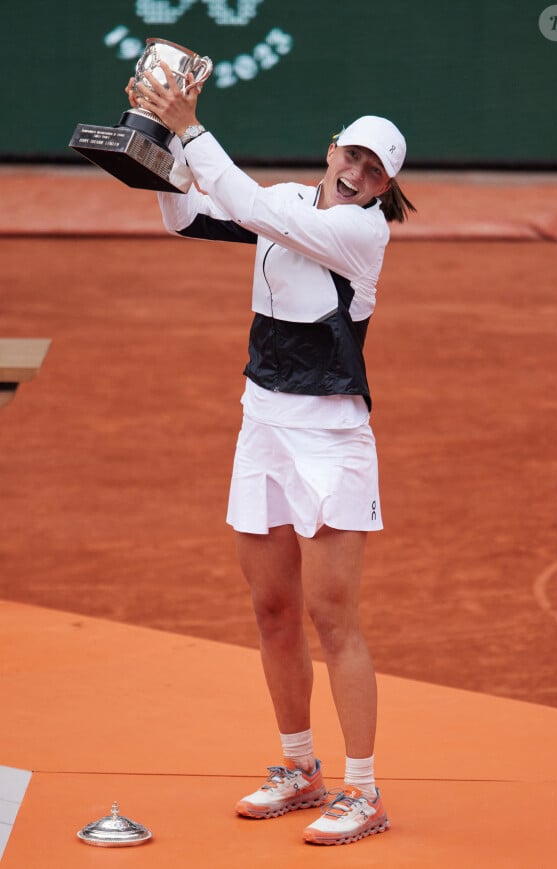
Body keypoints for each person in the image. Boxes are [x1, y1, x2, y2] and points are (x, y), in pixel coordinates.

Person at [126, 61, 415, 846]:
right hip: (262, 423)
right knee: (272, 609)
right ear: (331, 151)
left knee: (333, 617)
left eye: (374, 170)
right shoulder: (289, 203)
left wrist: (189, 124)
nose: (357, 173)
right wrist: (150, 150)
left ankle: (364, 789)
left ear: (385, 187)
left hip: (330, 437)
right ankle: (299, 768)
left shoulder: (361, 231)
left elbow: (247, 203)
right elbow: (189, 219)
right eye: (351, 156)